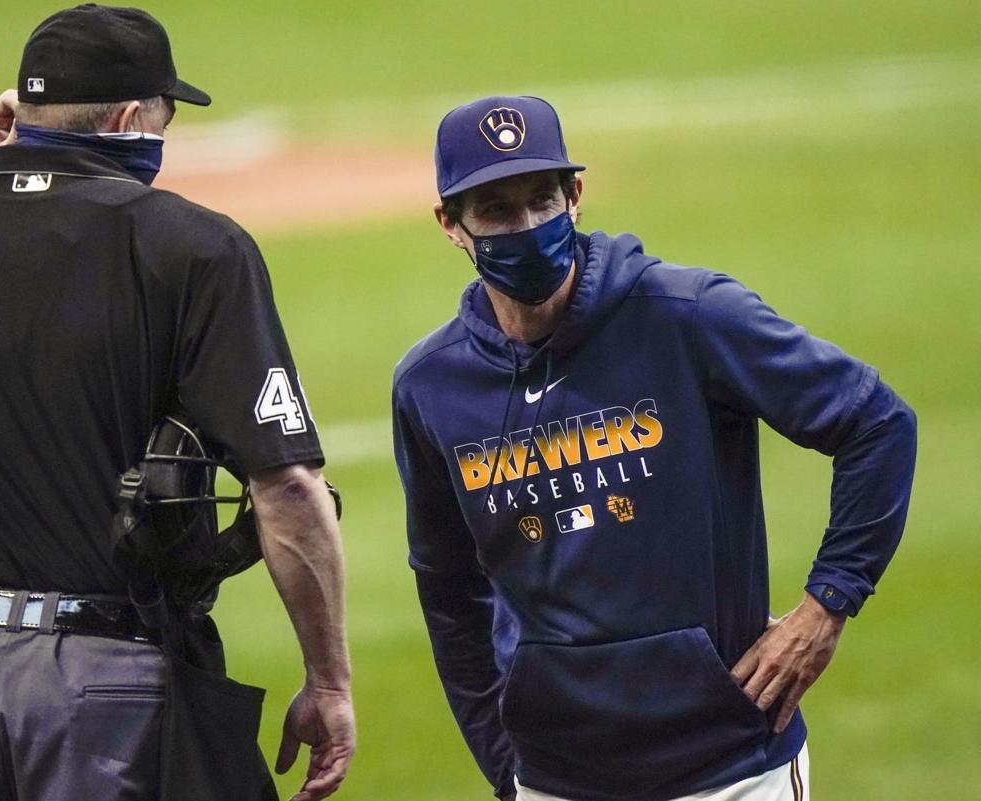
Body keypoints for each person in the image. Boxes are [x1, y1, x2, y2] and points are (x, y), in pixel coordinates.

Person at [0, 5, 354, 801]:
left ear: (24, 112)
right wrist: (329, 680)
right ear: (127, 118)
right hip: (99, 689)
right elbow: (285, 488)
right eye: (164, 115)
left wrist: (0, 169)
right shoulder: (195, 248)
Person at [392, 95, 916, 801]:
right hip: (556, 780)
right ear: (451, 224)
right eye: (495, 209)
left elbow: (877, 423)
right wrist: (503, 763)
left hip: (731, 769)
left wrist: (827, 605)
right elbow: (447, 588)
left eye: (541, 200)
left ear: (575, 195)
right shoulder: (430, 386)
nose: (525, 227)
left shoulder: (690, 317)